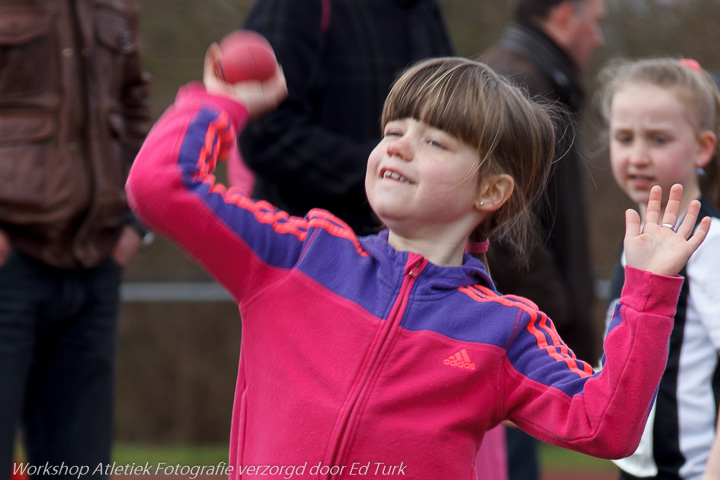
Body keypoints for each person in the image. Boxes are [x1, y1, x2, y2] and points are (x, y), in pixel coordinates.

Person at [126, 50, 709, 479]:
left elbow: (605, 424)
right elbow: (161, 185)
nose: (397, 146)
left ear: (490, 191)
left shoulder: (503, 332)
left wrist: (648, 290)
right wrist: (219, 105)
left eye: (434, 142)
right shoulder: (298, 255)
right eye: (394, 130)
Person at [0, 1, 151, 478]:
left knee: (80, 467)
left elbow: (134, 108)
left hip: (95, 265)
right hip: (9, 265)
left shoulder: (118, 6)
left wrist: (135, 222)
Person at [481, 1, 606, 476]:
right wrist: (554, 319)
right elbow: (507, 232)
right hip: (515, 343)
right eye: (594, 24)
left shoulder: (537, 78)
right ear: (563, 16)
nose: (597, 40)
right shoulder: (516, 84)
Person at [597, 57, 720, 480]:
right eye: (624, 137)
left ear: (703, 147)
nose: (637, 156)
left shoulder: (711, 241)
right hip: (633, 467)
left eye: (658, 139)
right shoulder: (636, 236)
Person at [237, 0, 455, 235]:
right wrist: (385, 170)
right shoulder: (295, 6)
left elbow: (448, 123)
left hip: (408, 257)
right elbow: (263, 130)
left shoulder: (423, 10)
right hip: (304, 250)